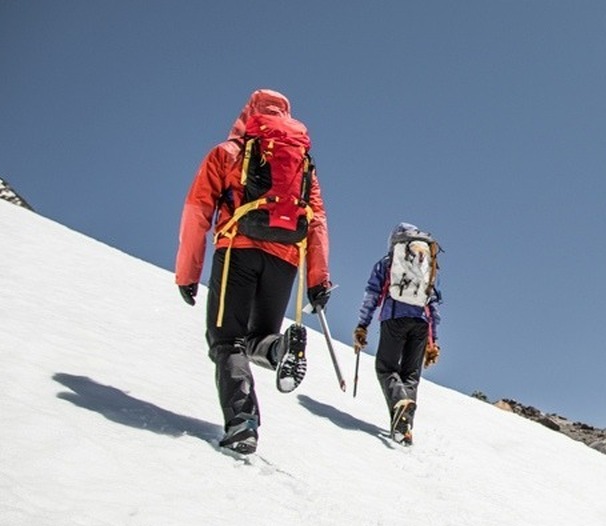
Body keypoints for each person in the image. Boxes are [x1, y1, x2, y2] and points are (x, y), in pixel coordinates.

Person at [175, 89, 332, 455]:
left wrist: (187, 273)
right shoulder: (303, 164)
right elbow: (317, 221)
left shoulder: (229, 153)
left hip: (238, 251)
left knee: (226, 340)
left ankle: (242, 423)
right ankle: (279, 349)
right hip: (285, 260)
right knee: (258, 336)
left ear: (248, 114)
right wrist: (318, 281)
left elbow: (197, 210)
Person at [354, 223, 442, 445]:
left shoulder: (387, 263)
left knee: (386, 368)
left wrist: (362, 325)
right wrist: (434, 342)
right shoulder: (429, 265)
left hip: (394, 318)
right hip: (421, 323)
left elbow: (372, 295)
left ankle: (400, 405)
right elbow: (433, 306)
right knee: (411, 376)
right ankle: (405, 428)